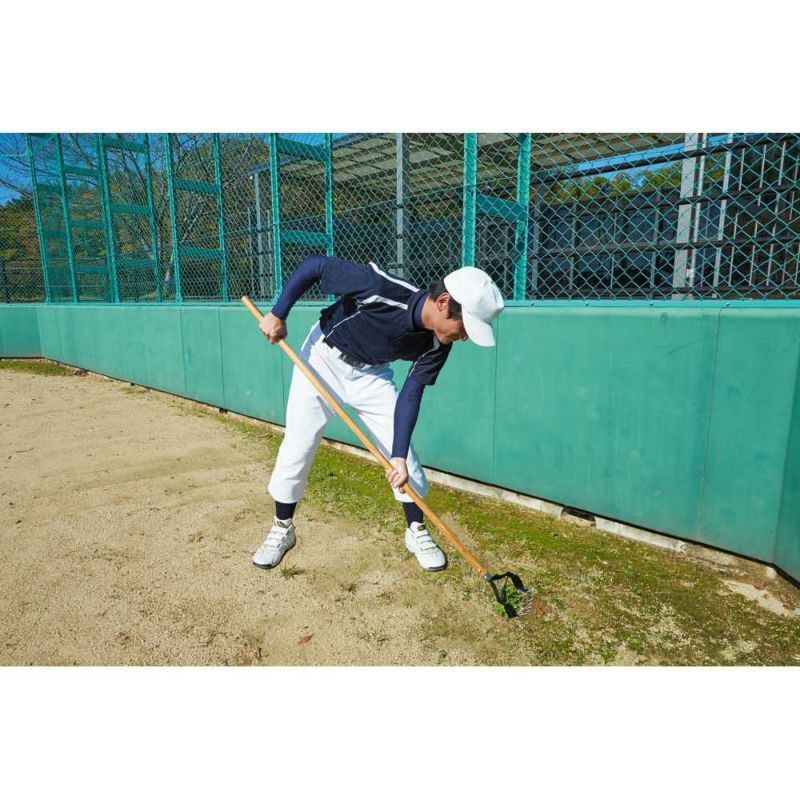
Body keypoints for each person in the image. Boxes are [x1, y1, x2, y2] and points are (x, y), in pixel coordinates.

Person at [253, 254, 504, 572]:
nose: (465, 336)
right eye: (465, 325)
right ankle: (282, 528)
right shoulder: (379, 288)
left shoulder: (440, 343)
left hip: (372, 374)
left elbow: (412, 392)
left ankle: (416, 530)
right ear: (443, 302)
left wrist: (396, 455)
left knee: (405, 458)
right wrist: (278, 313)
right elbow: (315, 265)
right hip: (322, 357)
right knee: (298, 445)